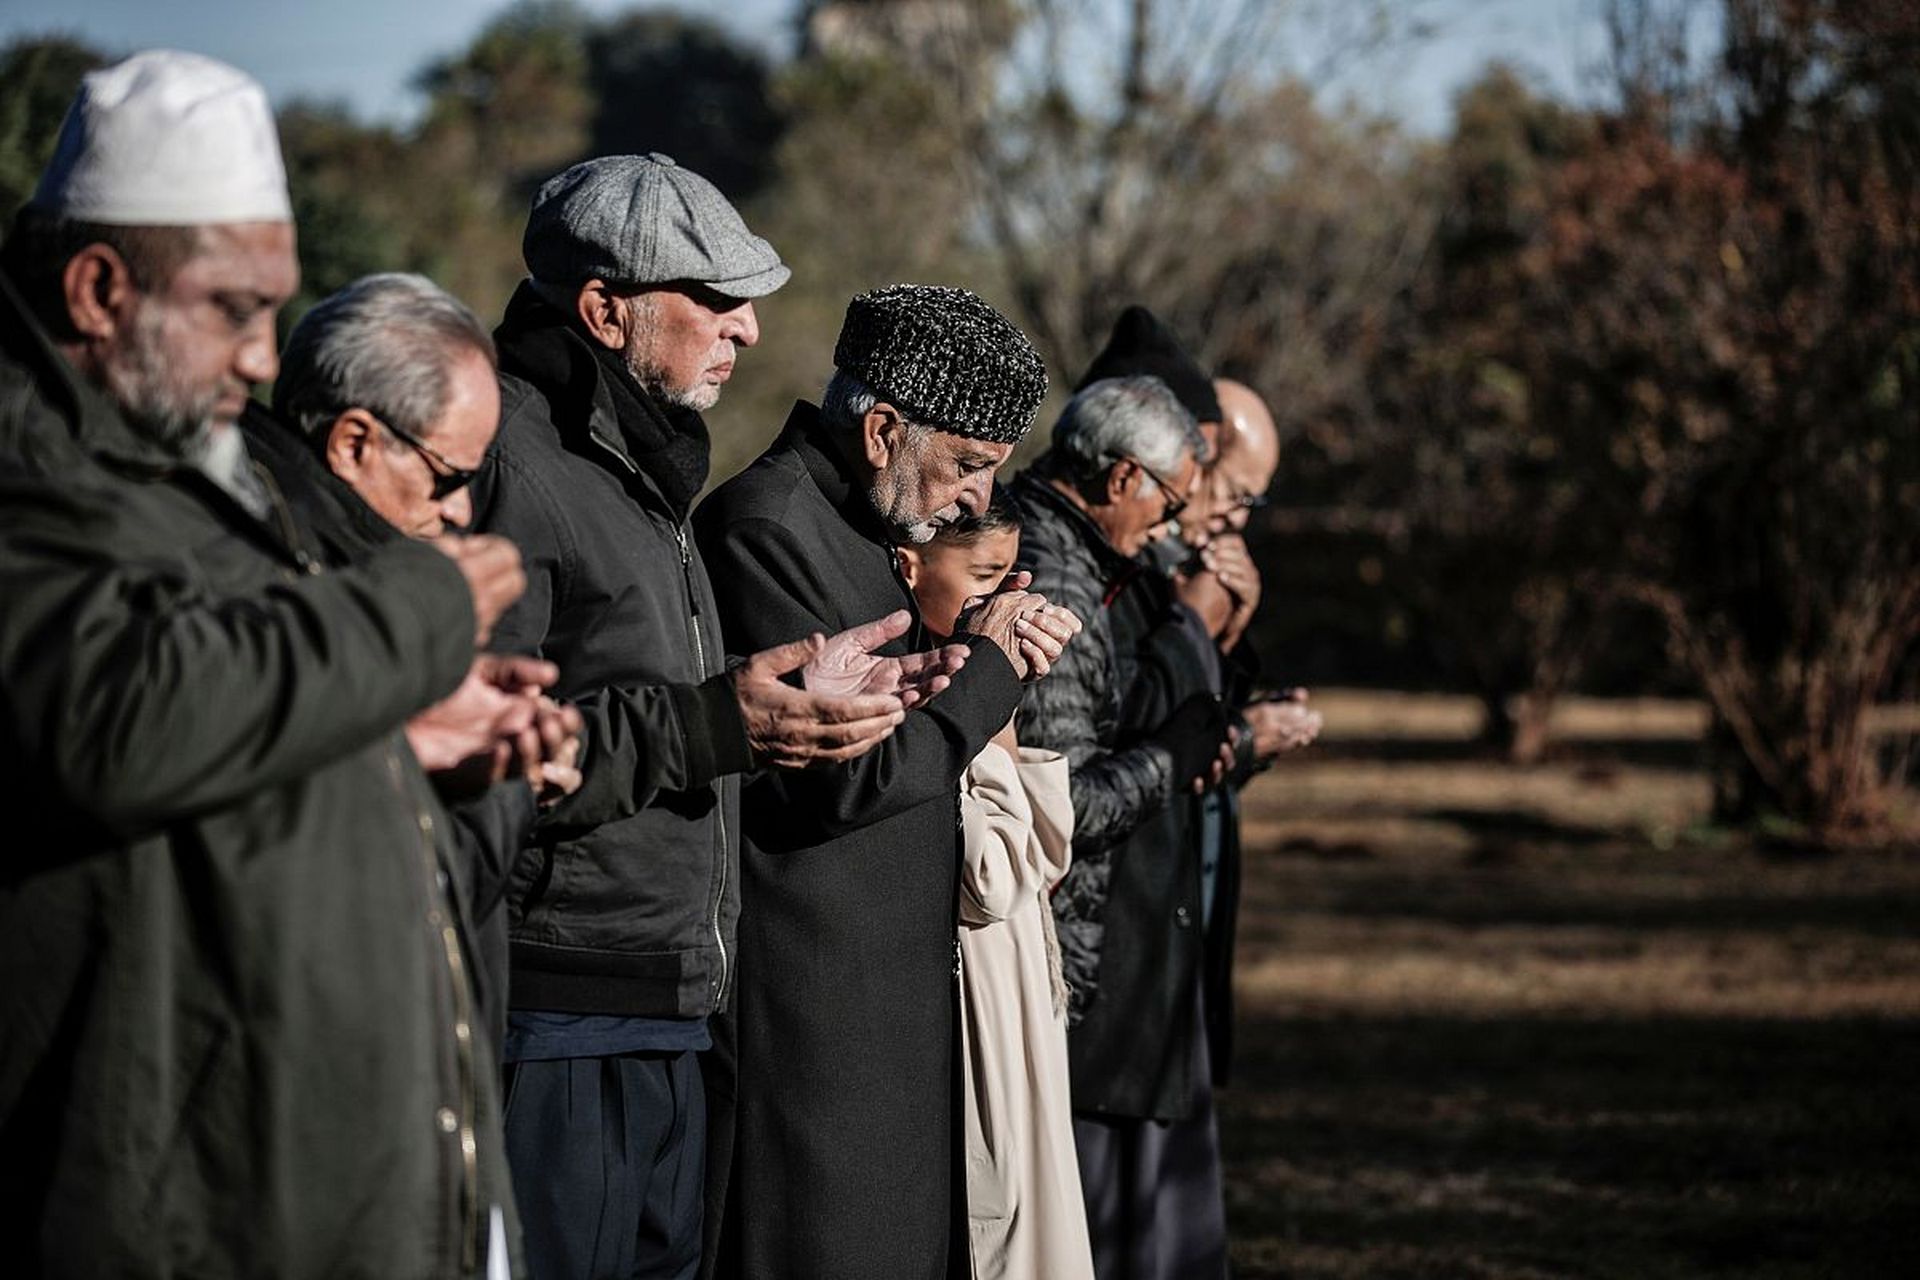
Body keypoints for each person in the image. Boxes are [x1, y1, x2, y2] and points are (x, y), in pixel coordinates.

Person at [0, 51, 526, 1277]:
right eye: (234, 309)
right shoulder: (31, 468)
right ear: (97, 289)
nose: (259, 357)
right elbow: (119, 712)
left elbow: (234, 712)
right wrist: (419, 613)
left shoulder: (168, 453)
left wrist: (412, 741)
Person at [466, 156, 958, 1280]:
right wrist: (722, 726)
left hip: (667, 1010)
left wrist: (789, 694)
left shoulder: (643, 472)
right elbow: (484, 750)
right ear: (605, 309)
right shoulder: (515, 469)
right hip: (556, 1012)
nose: (746, 328)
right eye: (717, 300)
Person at [694, 283, 1077, 1280]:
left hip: (891, 1028)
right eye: (967, 465)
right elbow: (844, 780)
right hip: (817, 1041)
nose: (978, 501)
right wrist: (988, 666)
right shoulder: (768, 529)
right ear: (882, 429)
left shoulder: (868, 536)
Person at [262, 271, 590, 1054]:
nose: (461, 511)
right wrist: (499, 776)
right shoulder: (299, 599)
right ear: (353, 444)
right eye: (447, 478)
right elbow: (428, 888)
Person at [1006, 375, 1236, 1280]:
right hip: (1059, 960)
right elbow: (1060, 808)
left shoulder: (1084, 554)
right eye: (1171, 501)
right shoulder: (1059, 574)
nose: (1171, 527)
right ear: (1121, 479)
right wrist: (1172, 758)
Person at [896, 495, 1097, 1280]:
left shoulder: (973, 668)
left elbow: (1047, 856)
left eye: (1009, 582)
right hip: (978, 998)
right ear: (910, 566)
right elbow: (989, 875)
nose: (1002, 606)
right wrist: (986, 691)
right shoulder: (925, 686)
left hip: (1021, 995)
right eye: (982, 581)